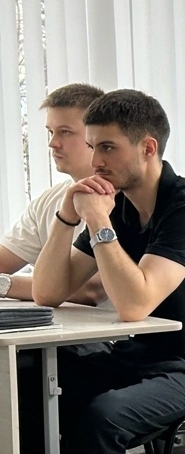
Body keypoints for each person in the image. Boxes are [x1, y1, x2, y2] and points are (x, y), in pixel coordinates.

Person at [31, 89, 185, 454]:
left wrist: (99, 223)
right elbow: (47, 293)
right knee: (33, 381)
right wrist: (67, 215)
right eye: (92, 147)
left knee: (106, 415)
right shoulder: (120, 205)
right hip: (143, 357)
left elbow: (134, 305)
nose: (95, 162)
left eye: (108, 148)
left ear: (148, 148)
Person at [0, 83, 106, 305]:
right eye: (51, 132)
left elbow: (89, 290)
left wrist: (4, 285)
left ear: (97, 136)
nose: (52, 143)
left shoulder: (127, 201)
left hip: (107, 328)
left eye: (65, 132)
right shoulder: (49, 200)